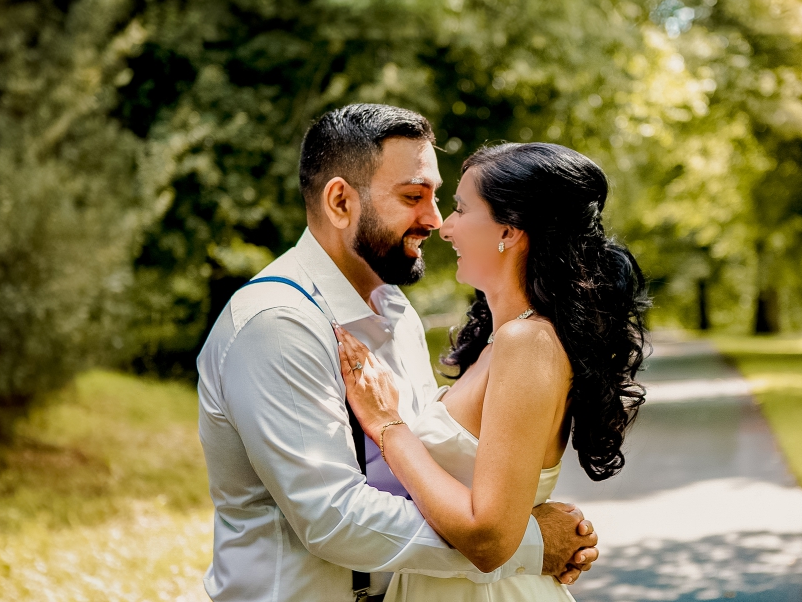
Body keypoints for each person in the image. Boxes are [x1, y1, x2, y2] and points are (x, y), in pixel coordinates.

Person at [198, 104, 601, 602]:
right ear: (341, 202)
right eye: (414, 196)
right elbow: (333, 517)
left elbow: (440, 471)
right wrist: (527, 544)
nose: (435, 221)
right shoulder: (277, 323)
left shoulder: (397, 314)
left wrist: (505, 518)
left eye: (442, 199)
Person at [337, 135, 647, 602]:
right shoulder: (503, 341)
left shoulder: (528, 343)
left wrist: (388, 426)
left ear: (509, 231)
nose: (445, 227)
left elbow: (491, 539)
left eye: (461, 209)